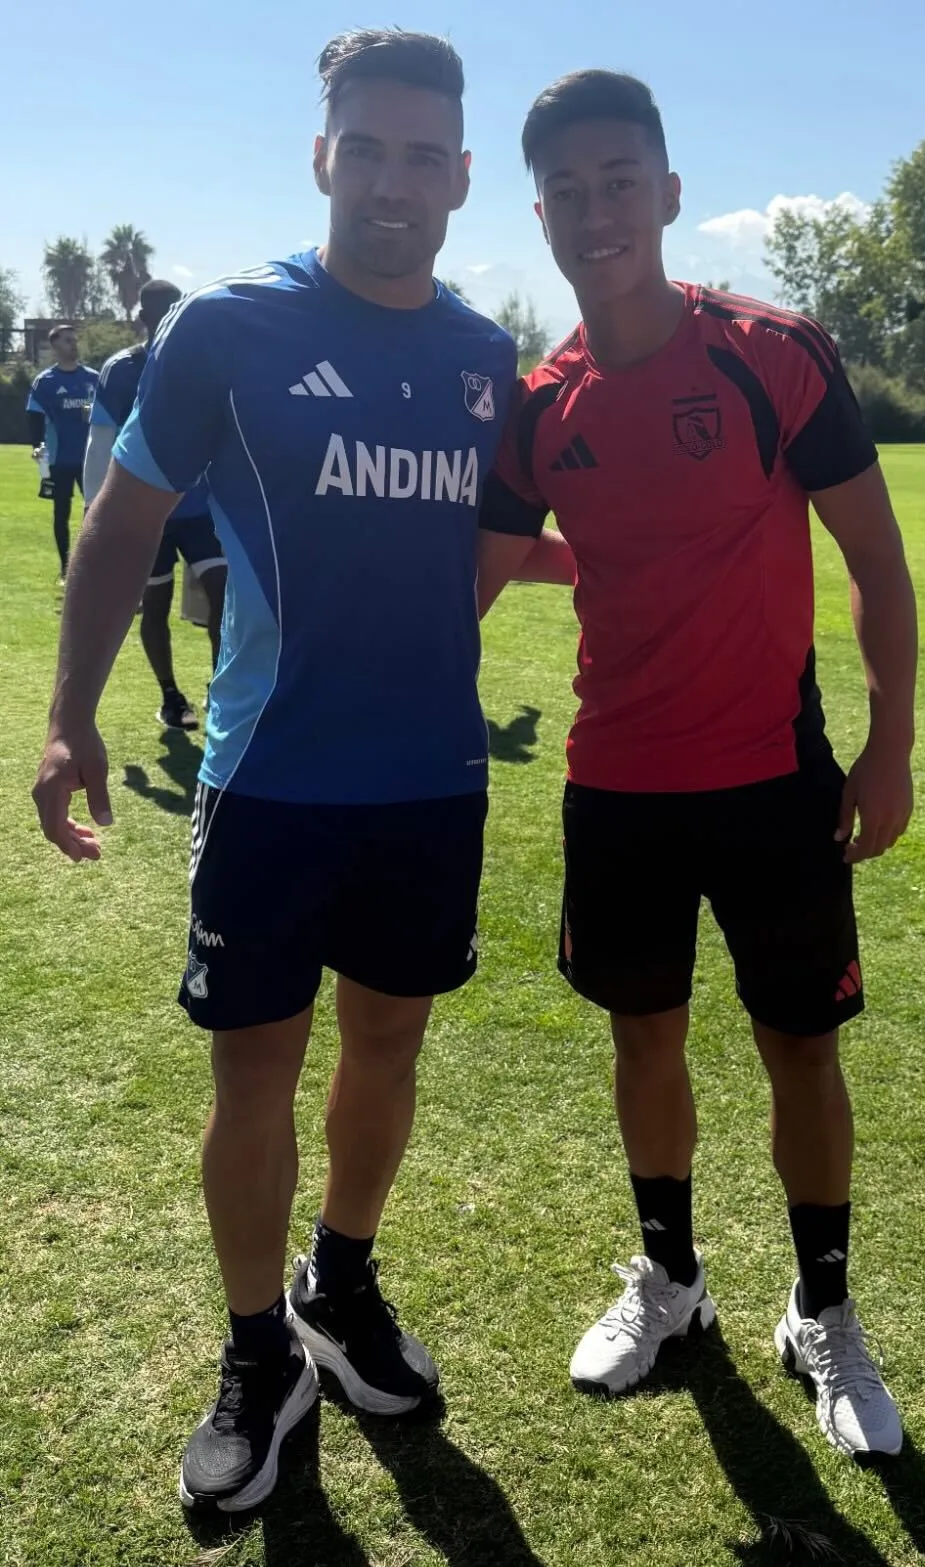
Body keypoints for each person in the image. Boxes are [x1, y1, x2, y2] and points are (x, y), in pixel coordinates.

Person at [33, 28, 516, 1513]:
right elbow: (121, 526)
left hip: (429, 782)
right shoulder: (229, 330)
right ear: (322, 155)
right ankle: (260, 1355)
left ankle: (342, 1283)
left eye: (420, 153)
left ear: (458, 173)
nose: (390, 178)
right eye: (363, 147)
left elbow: (480, 551)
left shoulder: (485, 357)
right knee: (256, 1068)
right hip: (271, 784)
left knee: (389, 1047)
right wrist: (69, 715)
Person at [478, 70, 918, 1459]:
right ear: (537, 208)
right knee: (642, 1034)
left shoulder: (771, 351)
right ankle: (669, 1282)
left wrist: (887, 740)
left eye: (622, 181)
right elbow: (482, 569)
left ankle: (822, 1312)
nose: (597, 210)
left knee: (799, 1042)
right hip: (616, 785)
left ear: (666, 193)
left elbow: (873, 556)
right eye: (569, 189)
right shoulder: (538, 402)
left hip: (771, 777)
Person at [85, 279, 228, 730]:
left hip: (201, 507)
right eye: (161, 310)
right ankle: (170, 696)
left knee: (225, 597)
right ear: (143, 318)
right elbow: (101, 440)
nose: (170, 317)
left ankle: (219, 687)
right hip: (146, 512)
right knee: (156, 602)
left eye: (176, 308)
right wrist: (96, 510)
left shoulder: (205, 362)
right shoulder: (121, 369)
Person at [26, 324, 99, 579]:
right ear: (55, 345)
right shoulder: (45, 382)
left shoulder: (92, 378)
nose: (74, 344)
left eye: (75, 340)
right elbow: (35, 417)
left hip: (91, 458)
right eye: (68, 340)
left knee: (96, 510)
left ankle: (92, 563)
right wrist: (37, 448)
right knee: (61, 513)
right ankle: (66, 567)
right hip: (58, 460)